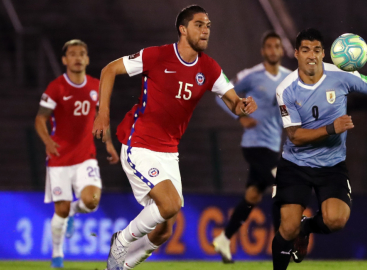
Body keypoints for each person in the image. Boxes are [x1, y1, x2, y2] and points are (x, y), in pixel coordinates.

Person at [92, 5, 257, 270]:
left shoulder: (210, 68)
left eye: (208, 26)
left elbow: (233, 101)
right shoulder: (157, 56)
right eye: (199, 25)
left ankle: (122, 267)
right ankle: (120, 242)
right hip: (140, 143)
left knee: (164, 231)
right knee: (170, 204)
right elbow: (109, 70)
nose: (205, 31)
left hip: (169, 151)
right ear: (183, 29)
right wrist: (103, 114)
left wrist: (243, 105)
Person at [271, 28, 367, 270]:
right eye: (305, 50)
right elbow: (295, 136)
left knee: (336, 221)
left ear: (324, 53)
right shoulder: (286, 89)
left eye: (317, 50)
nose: (311, 56)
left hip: (331, 166)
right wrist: (331, 128)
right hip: (296, 165)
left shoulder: (340, 76)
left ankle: (306, 228)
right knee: (287, 227)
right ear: (296, 54)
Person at [34, 39, 119, 268]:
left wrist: (108, 143)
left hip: (85, 157)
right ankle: (57, 256)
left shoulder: (95, 86)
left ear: (87, 59)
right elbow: (40, 119)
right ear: (65, 60)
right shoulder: (56, 88)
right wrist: (47, 141)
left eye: (82, 53)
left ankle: (74, 209)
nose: (78, 57)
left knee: (91, 201)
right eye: (72, 54)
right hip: (59, 158)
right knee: (59, 211)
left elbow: (102, 118)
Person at [212, 31, 291, 263]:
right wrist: (240, 117)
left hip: (273, 145)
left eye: (277, 46)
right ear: (263, 51)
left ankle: (224, 239)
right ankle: (282, 246)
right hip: (254, 145)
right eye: (269, 46)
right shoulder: (251, 75)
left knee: (253, 196)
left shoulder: (289, 78)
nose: (273, 50)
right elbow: (220, 95)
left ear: (281, 50)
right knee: (280, 184)